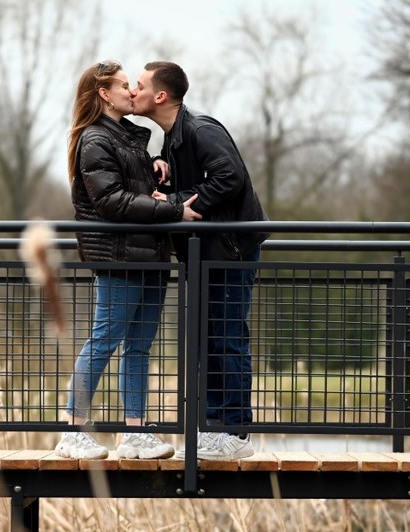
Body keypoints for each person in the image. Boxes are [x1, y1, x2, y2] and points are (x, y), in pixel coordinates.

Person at [55, 59, 203, 461]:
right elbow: (111, 201)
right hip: (119, 255)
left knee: (139, 347)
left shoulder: (131, 139)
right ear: (104, 94)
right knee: (104, 339)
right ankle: (72, 430)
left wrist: (157, 169)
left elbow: (134, 189)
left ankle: (135, 433)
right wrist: (175, 210)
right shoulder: (95, 140)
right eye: (124, 85)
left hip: (150, 253)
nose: (131, 91)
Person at [131, 60, 268, 460]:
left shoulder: (200, 129)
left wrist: (181, 204)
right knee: (210, 341)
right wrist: (165, 179)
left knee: (227, 339)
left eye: (138, 86)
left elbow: (230, 178)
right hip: (206, 254)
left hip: (231, 249)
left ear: (160, 96)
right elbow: (196, 181)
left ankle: (237, 433)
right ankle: (213, 428)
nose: (133, 92)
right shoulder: (173, 139)